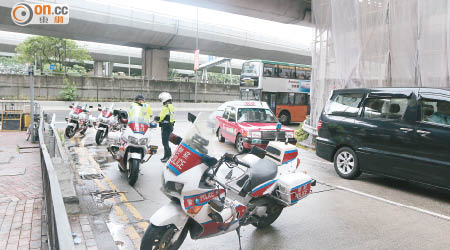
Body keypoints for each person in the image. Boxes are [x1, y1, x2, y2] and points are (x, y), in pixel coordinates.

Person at [158, 92, 175, 162]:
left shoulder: (168, 106)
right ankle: (166, 155)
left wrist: (159, 120)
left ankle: (168, 156)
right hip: (166, 126)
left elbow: (164, 116)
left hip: (167, 126)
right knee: (164, 142)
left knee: (165, 142)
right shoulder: (168, 106)